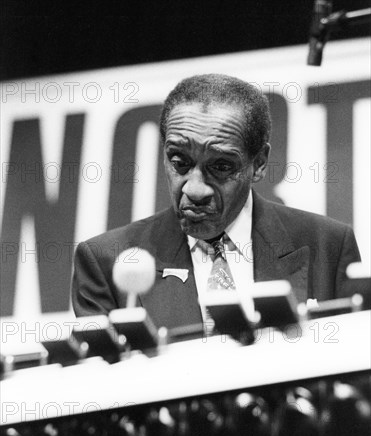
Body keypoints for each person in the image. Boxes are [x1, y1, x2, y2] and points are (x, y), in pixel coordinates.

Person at [72, 74, 360, 329]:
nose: (195, 190)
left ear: (259, 163)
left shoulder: (328, 245)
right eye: (180, 162)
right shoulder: (105, 261)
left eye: (221, 167)